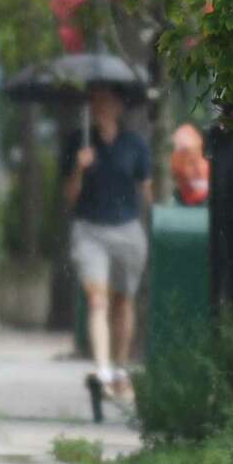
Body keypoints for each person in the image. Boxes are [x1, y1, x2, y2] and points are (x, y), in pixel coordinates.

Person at [61, 84, 152, 399]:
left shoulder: (135, 144)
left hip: (126, 228)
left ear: (119, 106)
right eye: (96, 101)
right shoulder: (78, 141)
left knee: (122, 301)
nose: (101, 107)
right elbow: (70, 196)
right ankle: (101, 369)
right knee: (97, 299)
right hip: (90, 229)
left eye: (107, 101)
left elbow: (147, 189)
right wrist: (79, 168)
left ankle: (120, 368)